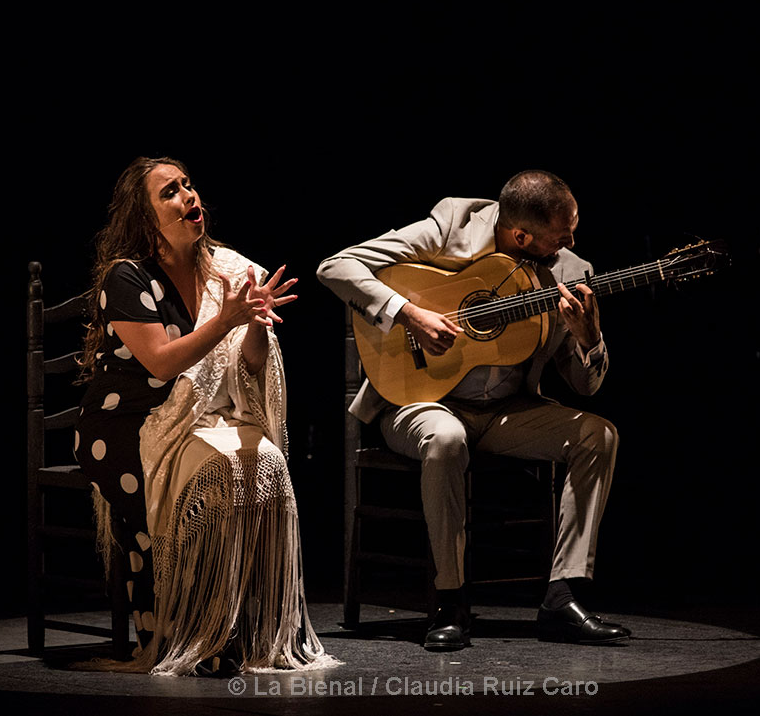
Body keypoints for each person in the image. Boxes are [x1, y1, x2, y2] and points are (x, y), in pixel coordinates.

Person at [316, 169, 629, 651]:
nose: (569, 243)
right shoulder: (452, 226)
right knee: (446, 439)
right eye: (560, 235)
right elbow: (335, 267)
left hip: (507, 413)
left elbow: (586, 386)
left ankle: (563, 595)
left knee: (598, 435)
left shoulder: (569, 271)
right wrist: (411, 315)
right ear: (521, 235)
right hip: (421, 401)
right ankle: (450, 600)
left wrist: (590, 339)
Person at [73, 156, 332, 676]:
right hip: (126, 425)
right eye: (170, 191)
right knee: (213, 476)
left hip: (197, 421)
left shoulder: (226, 272)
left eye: (187, 185)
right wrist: (227, 320)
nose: (188, 195)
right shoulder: (127, 277)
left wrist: (254, 323)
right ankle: (194, 635)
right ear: (145, 219)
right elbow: (161, 362)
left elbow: (248, 368)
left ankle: (252, 630)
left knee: (266, 464)